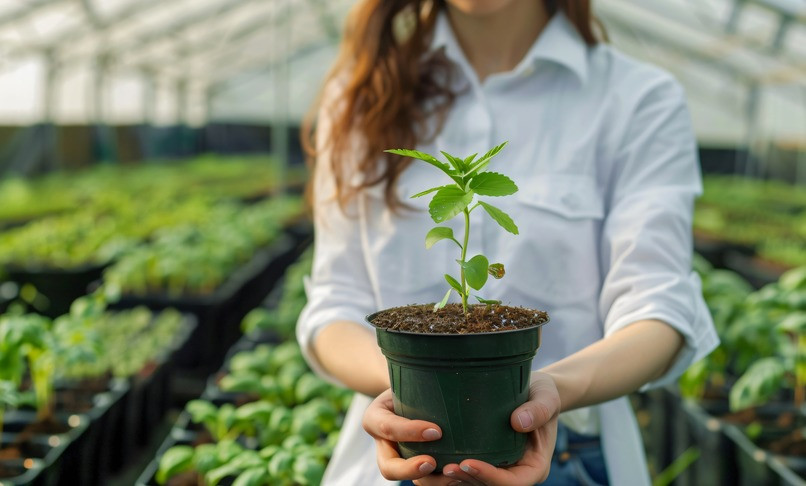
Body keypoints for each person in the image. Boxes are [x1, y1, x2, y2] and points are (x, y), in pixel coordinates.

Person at [297, 0, 719, 484]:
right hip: (399, 454)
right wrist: (410, 390)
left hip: (565, 453)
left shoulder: (636, 98)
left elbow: (659, 307)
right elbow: (334, 305)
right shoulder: (360, 95)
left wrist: (550, 388)